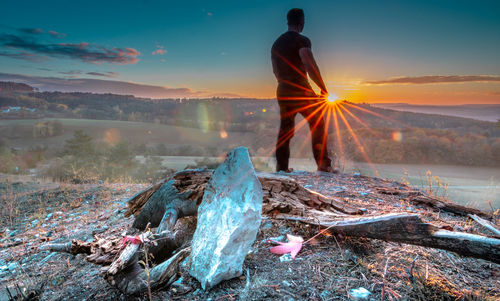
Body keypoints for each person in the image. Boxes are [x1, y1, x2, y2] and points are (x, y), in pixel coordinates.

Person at [271, 8, 334, 172]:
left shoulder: (276, 44)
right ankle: (324, 165)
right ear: (302, 21)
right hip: (300, 88)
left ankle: (281, 168)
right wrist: (323, 87)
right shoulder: (302, 40)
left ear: (288, 21)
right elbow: (309, 63)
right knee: (318, 122)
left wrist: (283, 83)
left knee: (286, 130)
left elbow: (275, 70)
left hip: (282, 89)